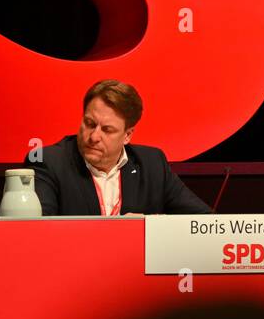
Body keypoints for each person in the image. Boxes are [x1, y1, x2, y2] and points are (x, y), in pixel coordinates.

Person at [34, 79, 211, 216]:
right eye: (89, 123)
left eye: (107, 130)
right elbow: (36, 232)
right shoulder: (49, 162)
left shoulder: (152, 164)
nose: (94, 137)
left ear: (127, 135)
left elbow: (205, 220)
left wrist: (149, 226)